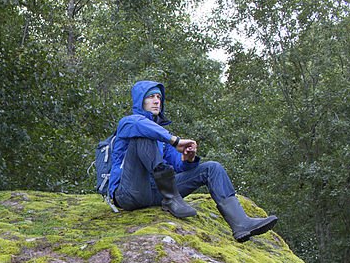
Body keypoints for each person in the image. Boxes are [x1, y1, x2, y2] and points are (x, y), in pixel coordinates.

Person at [108, 80, 277, 243]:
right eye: (151, 97)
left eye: (159, 97)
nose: (156, 101)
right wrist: (174, 140)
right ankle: (171, 198)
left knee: (212, 168)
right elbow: (142, 126)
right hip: (128, 193)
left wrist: (187, 159)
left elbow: (178, 166)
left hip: (157, 193)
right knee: (143, 137)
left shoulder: (161, 138)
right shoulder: (128, 123)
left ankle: (241, 223)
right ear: (140, 101)